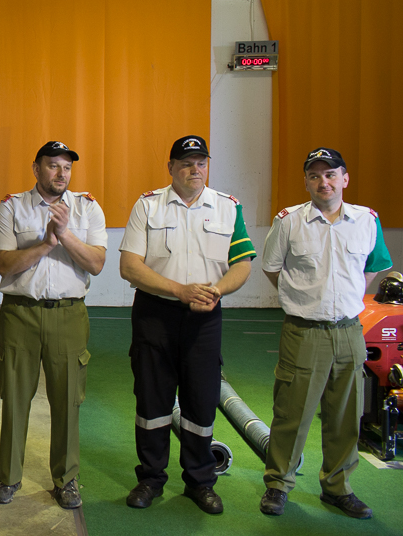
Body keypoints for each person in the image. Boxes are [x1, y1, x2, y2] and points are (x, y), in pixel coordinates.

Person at [118, 135, 255, 515]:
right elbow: (130, 267)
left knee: (201, 400)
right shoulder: (148, 206)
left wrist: (216, 291)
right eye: (186, 163)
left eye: (201, 163)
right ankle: (151, 478)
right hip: (155, 316)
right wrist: (179, 290)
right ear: (171, 167)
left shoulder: (228, 207)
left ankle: (200, 481)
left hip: (205, 318)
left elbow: (242, 263)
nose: (195, 169)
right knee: (152, 400)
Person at [258, 147, 392, 519]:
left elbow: (374, 266)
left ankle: (337, 487)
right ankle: (278, 484)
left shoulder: (366, 220)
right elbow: (271, 268)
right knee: (291, 412)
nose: (324, 182)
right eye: (315, 175)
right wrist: (302, 299)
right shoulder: (289, 221)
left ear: (345, 178)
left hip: (349, 332)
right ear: (306, 182)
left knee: (346, 414)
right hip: (304, 332)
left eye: (331, 174)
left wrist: (348, 298)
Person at [0, 141, 107, 508]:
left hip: (69, 315)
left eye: (66, 167)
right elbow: (4, 264)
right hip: (20, 314)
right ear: (36, 168)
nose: (61, 173)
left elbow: (96, 263)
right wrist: (45, 244)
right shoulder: (12, 207)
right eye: (53, 165)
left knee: (67, 401)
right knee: (14, 398)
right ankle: (9, 477)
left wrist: (65, 234)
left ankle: (66, 480)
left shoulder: (87, 208)